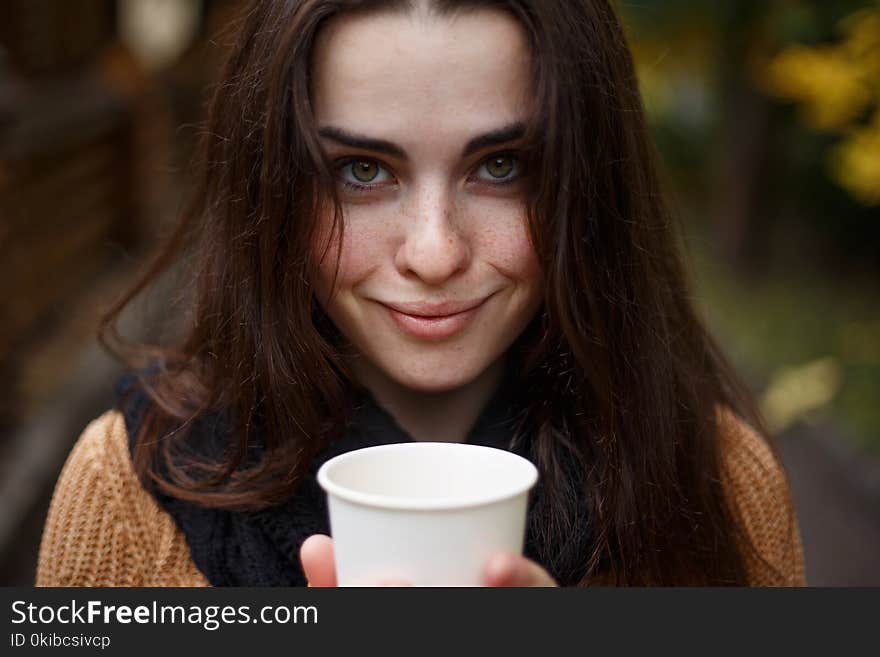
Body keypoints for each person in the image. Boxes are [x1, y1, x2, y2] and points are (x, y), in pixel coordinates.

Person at [36, 0, 805, 587]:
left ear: (586, 183)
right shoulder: (128, 493)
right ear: (271, 189)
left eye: (501, 165)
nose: (435, 253)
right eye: (361, 171)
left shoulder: (723, 482)